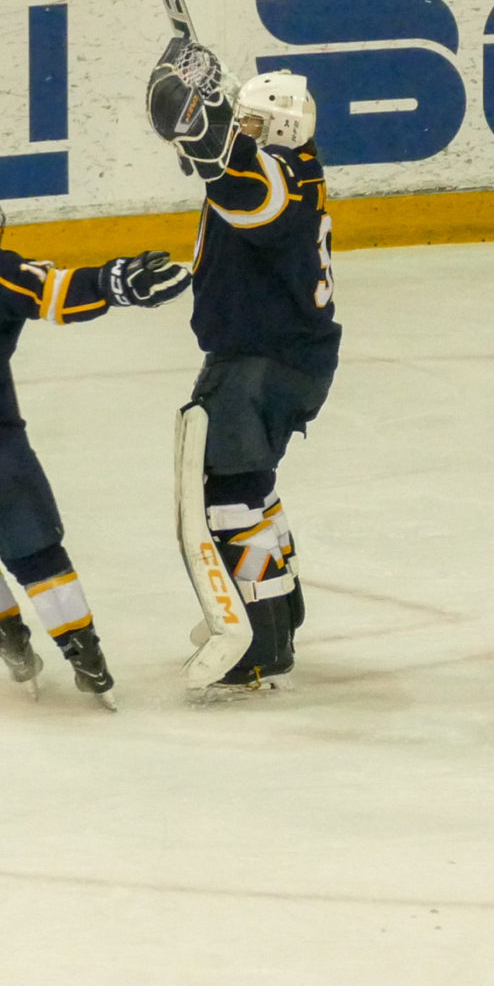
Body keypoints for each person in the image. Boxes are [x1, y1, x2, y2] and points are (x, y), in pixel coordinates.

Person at [0, 166, 193, 706]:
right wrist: (118, 282)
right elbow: (61, 293)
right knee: (37, 557)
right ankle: (86, 658)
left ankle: (12, 648)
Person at [145, 38, 339, 693]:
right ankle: (282, 611)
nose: (245, 133)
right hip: (285, 356)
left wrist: (198, 121)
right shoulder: (291, 166)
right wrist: (214, 110)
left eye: (255, 123)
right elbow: (218, 166)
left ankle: (260, 639)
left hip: (261, 361)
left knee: (228, 491)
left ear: (280, 128)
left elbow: (234, 177)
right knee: (251, 482)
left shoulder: (275, 179)